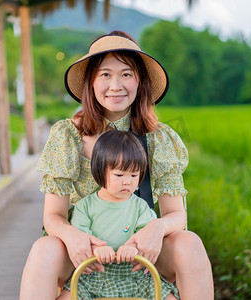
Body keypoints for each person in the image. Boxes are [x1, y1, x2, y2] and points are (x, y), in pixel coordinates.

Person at [20, 31, 214, 300]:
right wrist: (74, 237)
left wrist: (154, 229)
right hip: (84, 252)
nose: (116, 85)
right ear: (91, 82)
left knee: (190, 243)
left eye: (126, 74)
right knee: (44, 249)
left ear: (139, 81)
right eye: (105, 75)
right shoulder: (67, 135)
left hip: (138, 251)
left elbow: (176, 215)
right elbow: (53, 216)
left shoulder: (159, 137)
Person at [58, 129, 179, 300]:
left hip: (135, 275)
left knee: (167, 296)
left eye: (134, 175)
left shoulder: (140, 207)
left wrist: (134, 248)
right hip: (94, 276)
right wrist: (96, 249)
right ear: (100, 171)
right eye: (119, 174)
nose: (127, 181)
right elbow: (80, 237)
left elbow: (146, 235)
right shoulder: (85, 206)